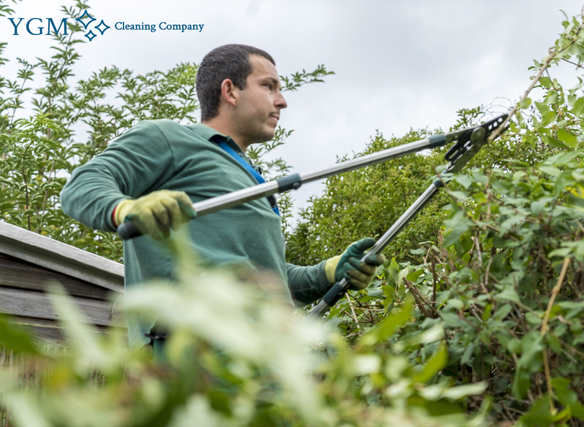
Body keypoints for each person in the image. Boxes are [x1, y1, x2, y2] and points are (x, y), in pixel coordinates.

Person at [60, 44, 384, 348]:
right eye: (268, 86)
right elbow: (82, 185)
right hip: (195, 360)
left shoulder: (251, 177)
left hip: (265, 366)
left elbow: (265, 280)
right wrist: (126, 209)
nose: (282, 100)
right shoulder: (170, 138)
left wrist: (327, 272)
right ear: (230, 91)